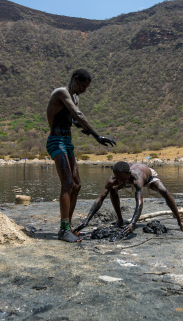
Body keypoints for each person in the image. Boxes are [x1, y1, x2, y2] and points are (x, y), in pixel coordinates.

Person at [46, 69, 116, 242]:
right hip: (57, 141)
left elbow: (74, 120)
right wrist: (96, 135)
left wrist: (82, 128)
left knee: (76, 185)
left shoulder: (75, 98)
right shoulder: (62, 92)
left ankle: (68, 227)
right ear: (76, 79)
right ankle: (63, 230)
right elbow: (77, 114)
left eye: (86, 87)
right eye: (83, 85)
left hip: (67, 142)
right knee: (67, 183)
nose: (84, 90)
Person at [74, 161, 183, 241]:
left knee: (164, 191)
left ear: (128, 174)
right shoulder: (114, 179)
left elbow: (139, 203)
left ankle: (180, 221)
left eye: (122, 179)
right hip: (129, 181)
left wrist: (133, 224)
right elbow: (100, 199)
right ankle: (120, 220)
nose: (119, 181)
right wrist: (86, 221)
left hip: (148, 178)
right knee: (113, 189)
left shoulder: (137, 177)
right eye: (117, 178)